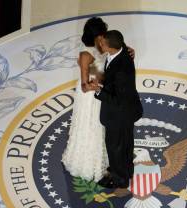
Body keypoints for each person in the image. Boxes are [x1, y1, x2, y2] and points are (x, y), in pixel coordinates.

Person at [61, 18, 136, 183]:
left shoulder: (106, 44)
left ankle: (117, 161)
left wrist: (129, 52)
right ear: (95, 37)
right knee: (94, 128)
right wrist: (102, 80)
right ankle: (95, 163)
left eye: (104, 35)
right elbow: (84, 86)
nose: (104, 39)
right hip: (92, 98)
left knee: (111, 130)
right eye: (101, 35)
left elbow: (119, 52)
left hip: (105, 93)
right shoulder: (86, 54)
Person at [93, 30, 143, 189]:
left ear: (110, 47)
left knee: (115, 146)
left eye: (103, 43)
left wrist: (98, 91)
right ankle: (126, 170)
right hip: (128, 111)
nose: (101, 44)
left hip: (118, 115)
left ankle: (120, 179)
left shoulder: (121, 71)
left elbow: (117, 100)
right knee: (126, 142)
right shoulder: (124, 52)